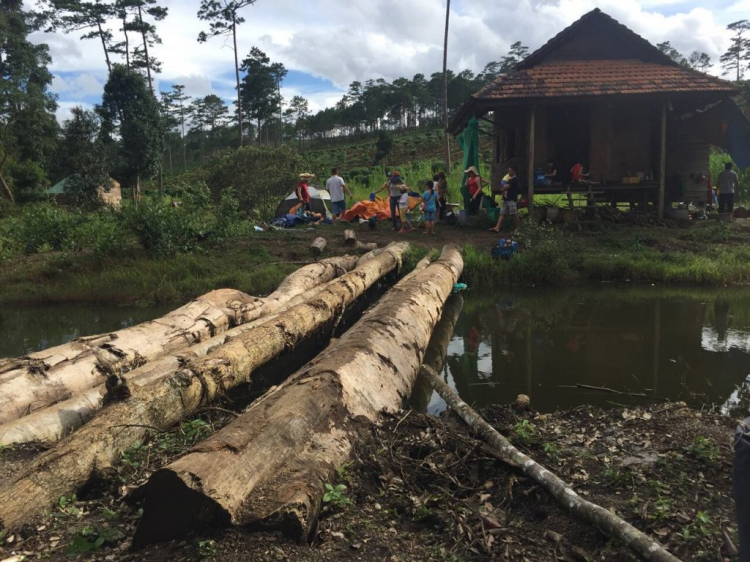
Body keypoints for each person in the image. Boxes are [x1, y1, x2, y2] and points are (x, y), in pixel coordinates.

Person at [489, 166, 520, 232]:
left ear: (514, 171)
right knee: (502, 213)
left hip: (512, 199)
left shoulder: (514, 180)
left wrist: (502, 189)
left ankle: (518, 228)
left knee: (514, 213)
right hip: (506, 199)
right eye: (509, 170)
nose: (509, 171)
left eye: (510, 170)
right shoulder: (509, 179)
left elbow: (506, 187)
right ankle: (497, 227)